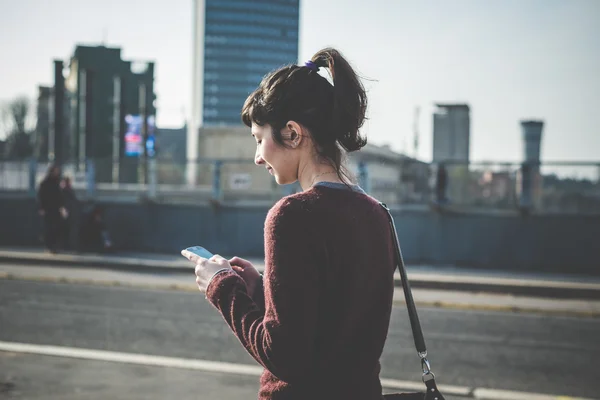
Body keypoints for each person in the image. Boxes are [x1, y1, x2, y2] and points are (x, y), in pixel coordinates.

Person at [182, 48, 397, 400]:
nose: (256, 157)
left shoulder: (292, 216)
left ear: (293, 134)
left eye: (258, 139)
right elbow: (332, 322)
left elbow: (284, 356)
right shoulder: (378, 214)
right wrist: (260, 290)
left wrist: (222, 287)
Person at [37, 164, 67, 253]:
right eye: (55, 171)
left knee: (57, 228)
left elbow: (60, 196)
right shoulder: (45, 183)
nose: (57, 173)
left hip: (56, 208)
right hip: (48, 208)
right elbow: (41, 196)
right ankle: (50, 246)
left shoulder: (58, 182)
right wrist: (41, 207)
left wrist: (62, 207)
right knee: (49, 228)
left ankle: (55, 246)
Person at [60, 176, 77, 250]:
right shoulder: (66, 190)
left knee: (66, 229)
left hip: (67, 211)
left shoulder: (65, 190)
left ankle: (65, 245)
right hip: (66, 211)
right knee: (65, 229)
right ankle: (65, 245)